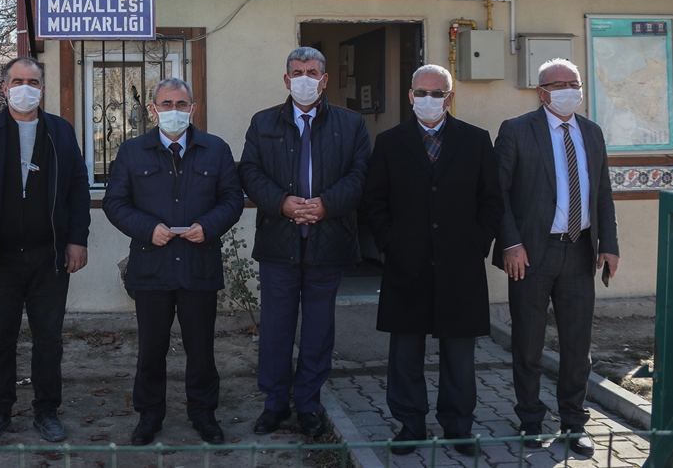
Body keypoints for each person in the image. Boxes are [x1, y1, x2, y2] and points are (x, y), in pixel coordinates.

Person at [362, 64, 503, 456]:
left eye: (437, 93)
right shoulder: (389, 142)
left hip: (461, 265)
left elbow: (491, 201)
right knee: (405, 352)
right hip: (406, 264)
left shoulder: (476, 140)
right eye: (421, 93)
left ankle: (458, 426)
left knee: (459, 354)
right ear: (410, 96)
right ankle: (410, 425)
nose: (428, 99)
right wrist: (390, 243)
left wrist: (477, 243)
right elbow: (374, 201)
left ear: (449, 97)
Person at [0, 57, 91, 443]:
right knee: (0, 337)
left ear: (42, 88)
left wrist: (77, 239)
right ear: (5, 87)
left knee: (49, 337)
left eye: (32, 82)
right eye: (17, 81)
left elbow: (78, 187)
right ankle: (0, 409)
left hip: (50, 256)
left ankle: (46, 411)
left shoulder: (60, 131)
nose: (25, 88)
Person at [102, 77, 245, 446]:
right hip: (152, 266)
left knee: (201, 348)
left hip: (199, 264)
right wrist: (147, 228)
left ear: (192, 108)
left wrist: (208, 226)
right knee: (151, 348)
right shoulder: (132, 152)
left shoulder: (216, 150)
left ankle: (204, 414)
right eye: (166, 104)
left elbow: (232, 199)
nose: (174, 111)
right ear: (153, 110)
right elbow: (114, 203)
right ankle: (149, 416)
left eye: (181, 104)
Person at [238, 46, 371, 436]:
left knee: (317, 329)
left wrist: (326, 205)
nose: (304, 79)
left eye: (312, 73)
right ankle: (275, 403)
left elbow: (360, 175)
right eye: (297, 73)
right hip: (279, 242)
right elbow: (250, 171)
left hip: (329, 242)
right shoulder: (263, 122)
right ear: (286, 79)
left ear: (324, 80)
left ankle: (309, 405)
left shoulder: (351, 124)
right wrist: (282, 203)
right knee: (276, 328)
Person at [494, 57, 619, 457]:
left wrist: (609, 243)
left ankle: (574, 422)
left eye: (574, 83)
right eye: (559, 84)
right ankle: (530, 419)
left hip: (580, 251)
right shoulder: (516, 130)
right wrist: (511, 243)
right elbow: (497, 194)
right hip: (531, 253)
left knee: (577, 345)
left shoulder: (591, 132)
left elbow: (602, 192)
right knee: (528, 343)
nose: (569, 90)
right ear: (541, 92)